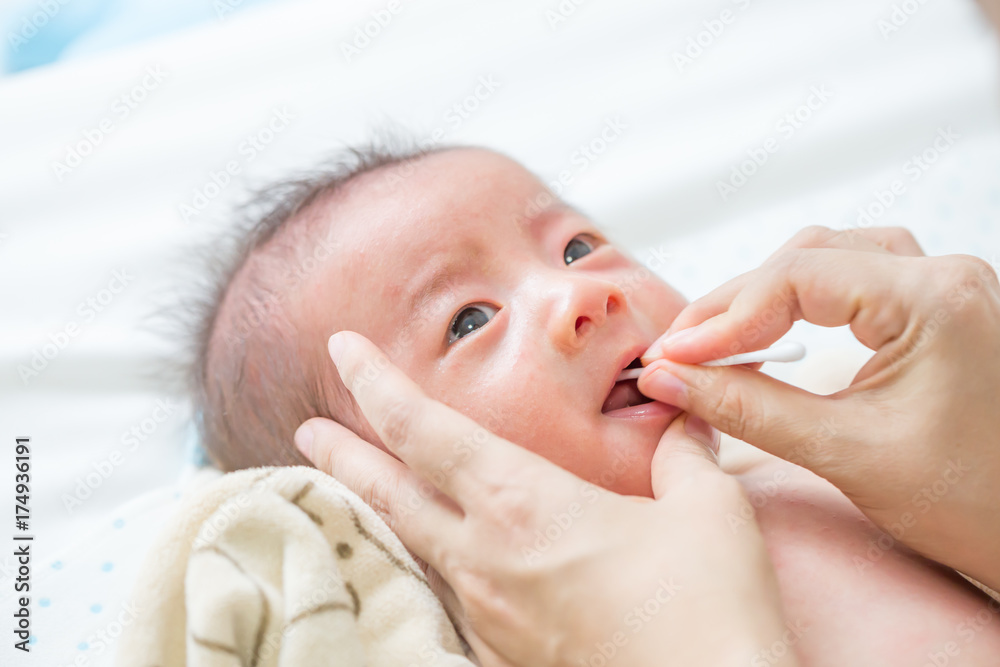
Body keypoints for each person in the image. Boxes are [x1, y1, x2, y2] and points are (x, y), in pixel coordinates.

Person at [193, 141, 1000, 665]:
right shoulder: (509, 634)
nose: (583, 292)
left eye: (577, 246)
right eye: (468, 319)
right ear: (380, 493)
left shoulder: (839, 448)